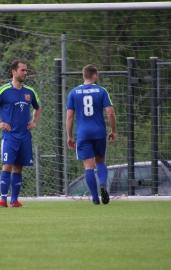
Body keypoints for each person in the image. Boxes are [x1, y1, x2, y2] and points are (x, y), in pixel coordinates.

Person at [0, 60, 42, 208]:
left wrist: (34, 122)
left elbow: (38, 108)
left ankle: (14, 201)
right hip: (9, 137)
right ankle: (2, 200)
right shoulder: (3, 90)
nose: (25, 73)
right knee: (7, 166)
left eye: (26, 70)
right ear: (14, 72)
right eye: (22, 70)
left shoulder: (30, 92)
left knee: (19, 168)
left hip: (25, 136)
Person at [66, 64, 116, 205]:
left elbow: (69, 117)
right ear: (94, 75)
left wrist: (69, 136)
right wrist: (114, 131)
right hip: (99, 132)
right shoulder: (101, 91)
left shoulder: (73, 93)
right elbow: (110, 113)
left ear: (83, 76)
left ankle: (95, 198)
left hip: (83, 133)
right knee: (100, 161)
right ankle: (103, 185)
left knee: (88, 166)